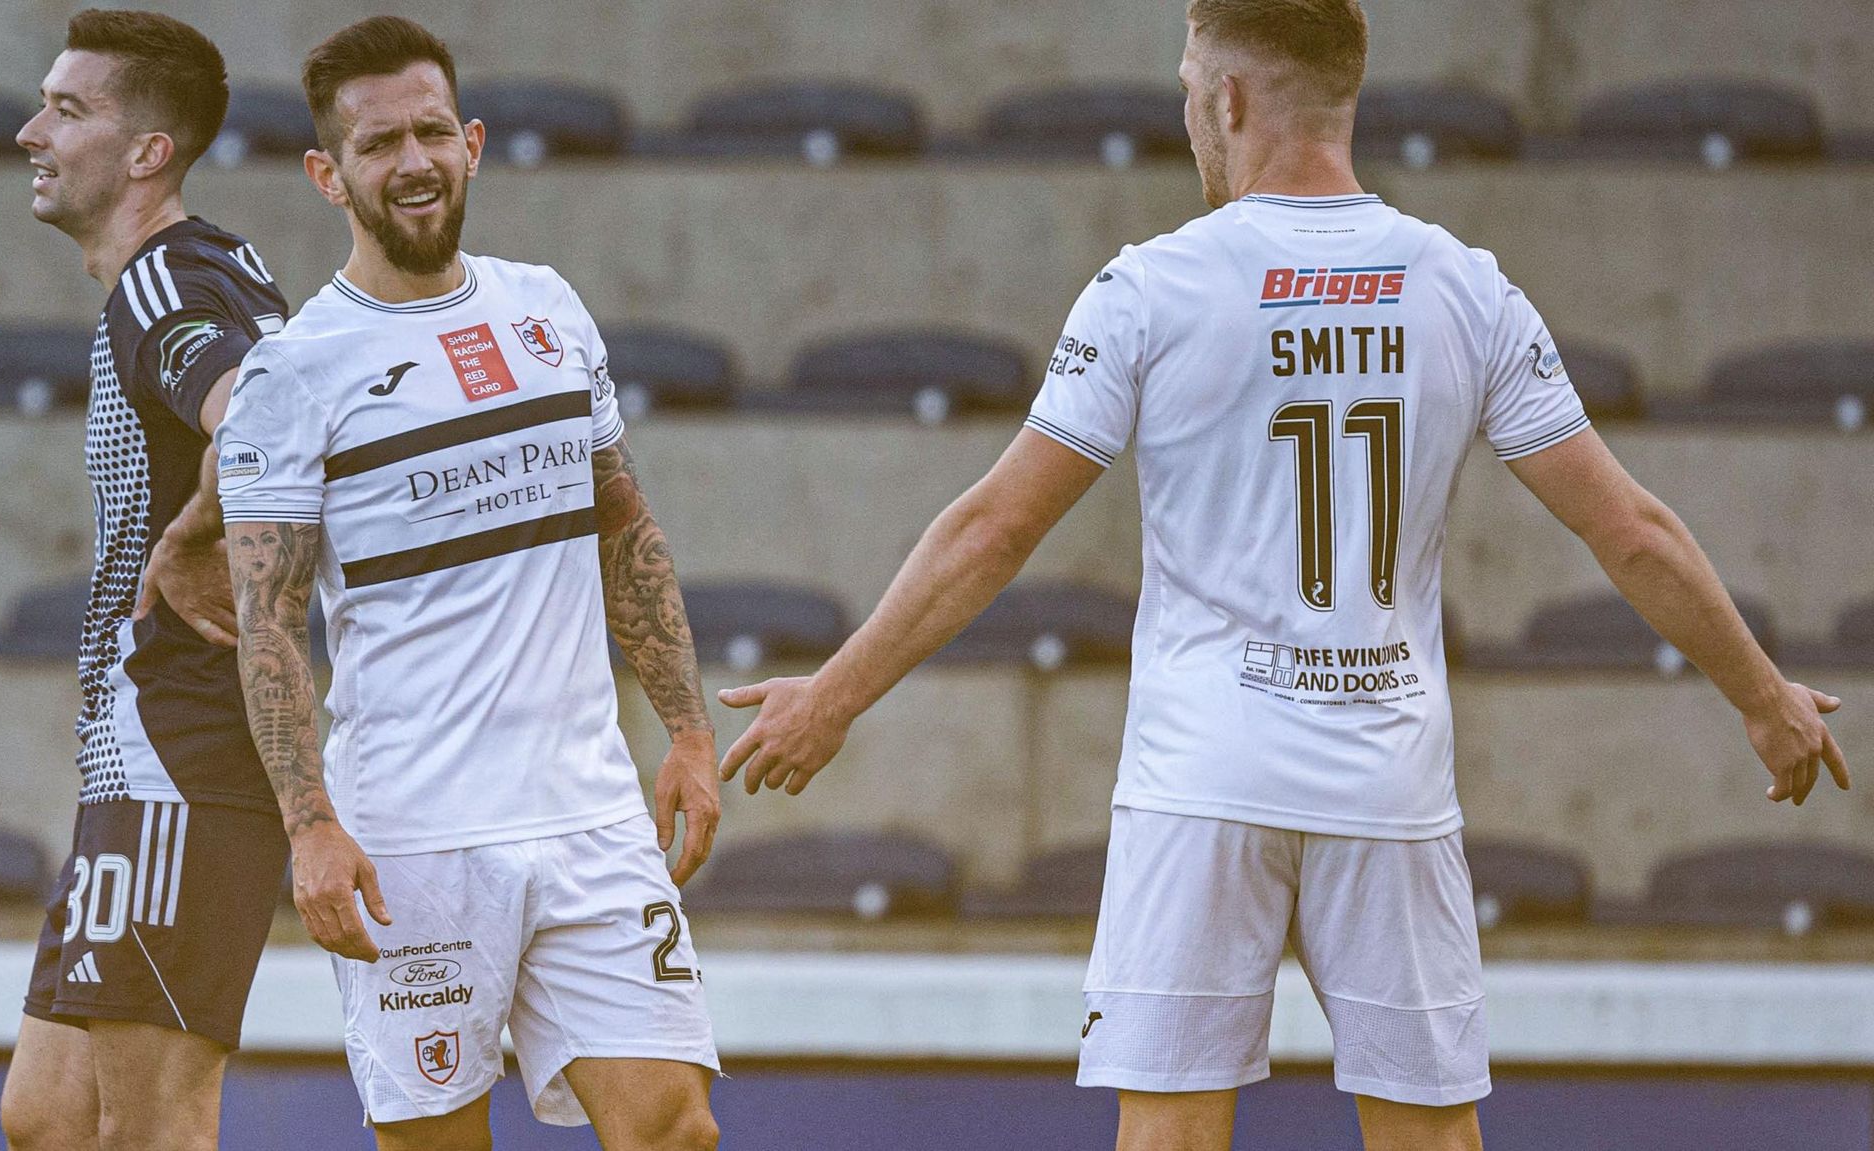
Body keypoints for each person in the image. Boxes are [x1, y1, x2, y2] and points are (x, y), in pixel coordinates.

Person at [714, 1, 1851, 1148]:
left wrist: (833, 696)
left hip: (1204, 773)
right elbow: (1631, 530)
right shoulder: (1458, 284)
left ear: (1227, 99)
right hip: (1386, 779)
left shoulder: (1149, 287)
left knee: (1166, 1133)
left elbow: (991, 530)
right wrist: (1761, 697)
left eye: (1184, 88)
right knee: (1429, 1137)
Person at [215, 17, 721, 1151]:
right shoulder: (293, 374)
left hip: (589, 814)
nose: (412, 162)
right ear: (327, 174)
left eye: (431, 131)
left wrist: (686, 731)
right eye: (378, 142)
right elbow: (268, 622)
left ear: (474, 141)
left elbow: (624, 528)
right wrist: (309, 825)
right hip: (415, 838)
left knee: (675, 1128)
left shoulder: (548, 306)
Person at [1, 9, 291, 1151]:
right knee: (49, 1115)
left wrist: (194, 532)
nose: (32, 131)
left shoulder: (162, 283)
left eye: (68, 110)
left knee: (152, 1126)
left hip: (186, 741)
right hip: (140, 749)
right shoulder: (206, 266)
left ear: (148, 152)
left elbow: (263, 416)